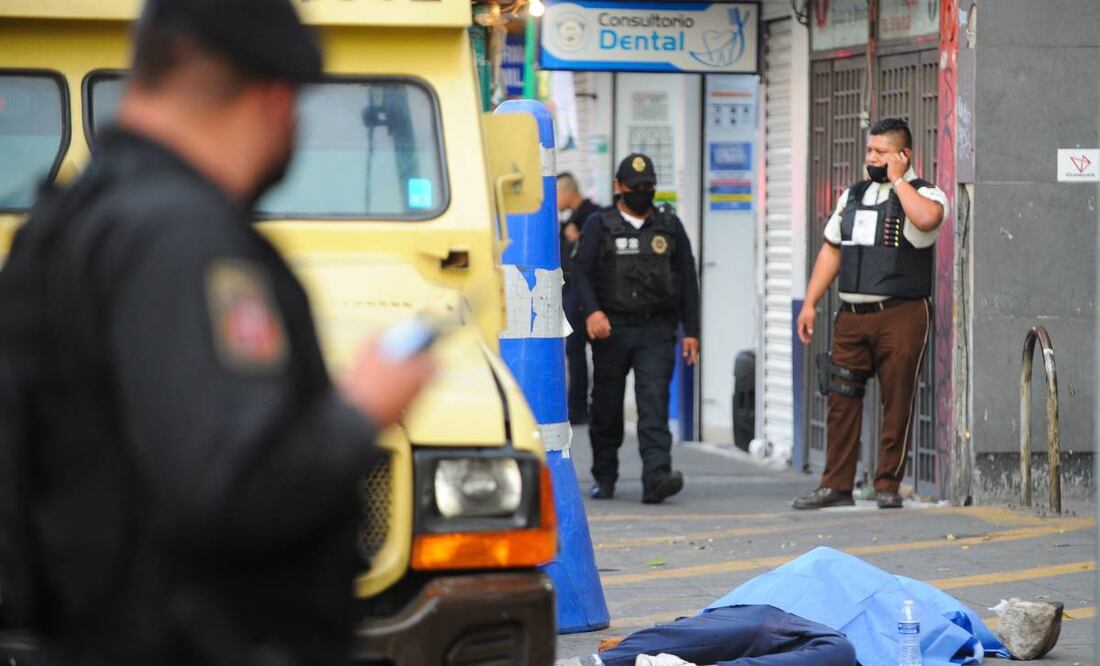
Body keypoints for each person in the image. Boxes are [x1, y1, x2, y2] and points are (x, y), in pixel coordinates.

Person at [0, 0, 433, 664]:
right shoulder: (181, 235)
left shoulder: (68, 223)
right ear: (273, 100)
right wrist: (360, 409)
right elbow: (228, 489)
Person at [792, 118, 947, 510]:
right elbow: (832, 248)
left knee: (897, 400)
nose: (871, 158)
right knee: (840, 397)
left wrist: (898, 181)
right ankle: (836, 485)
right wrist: (810, 302)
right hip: (852, 315)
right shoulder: (854, 195)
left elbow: (927, 220)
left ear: (903, 154)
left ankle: (887, 485)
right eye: (869, 150)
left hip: (901, 313)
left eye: (881, 151)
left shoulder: (925, 193)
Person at [572, 153, 700, 504]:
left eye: (648, 186)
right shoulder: (600, 224)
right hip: (611, 330)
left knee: (654, 404)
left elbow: (688, 279)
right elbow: (581, 273)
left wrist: (691, 330)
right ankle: (605, 476)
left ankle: (657, 477)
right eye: (635, 186)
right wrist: (592, 312)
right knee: (606, 408)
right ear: (619, 186)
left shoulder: (669, 226)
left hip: (656, 330)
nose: (642, 191)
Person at [556, 172, 601, 425]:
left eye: (556, 194)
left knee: (584, 349)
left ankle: (582, 408)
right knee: (574, 349)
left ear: (567, 192)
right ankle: (578, 407)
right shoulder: (570, 218)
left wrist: (579, 238)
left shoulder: (593, 216)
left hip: (586, 293)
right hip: (571, 290)